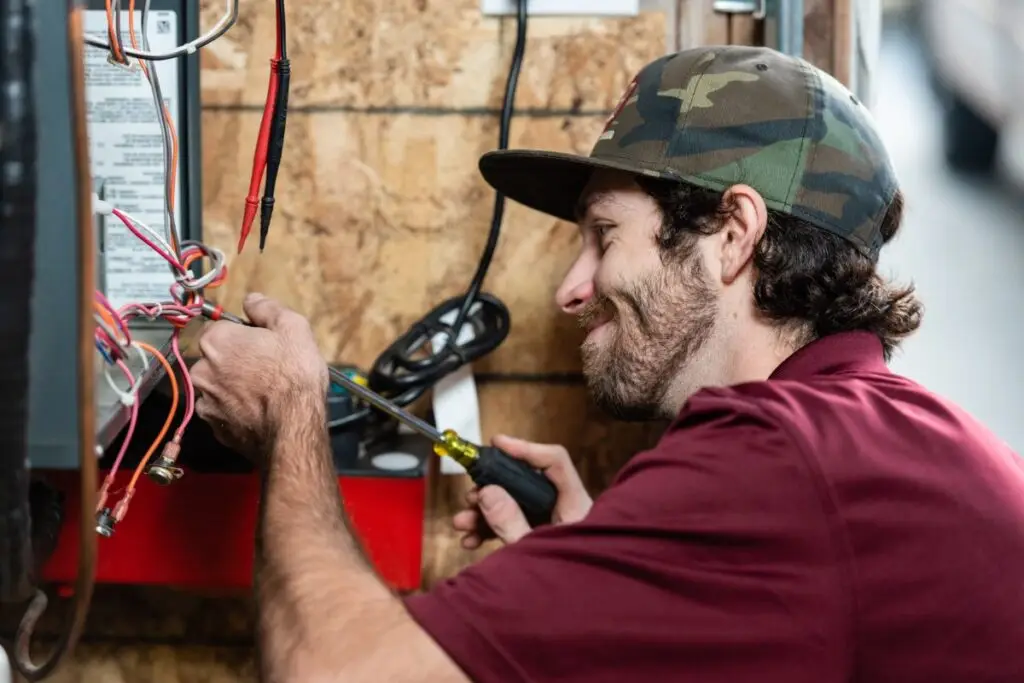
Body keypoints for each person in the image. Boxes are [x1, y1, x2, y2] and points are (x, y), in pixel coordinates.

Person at [190, 45, 1024, 683]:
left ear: (733, 234)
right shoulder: (866, 434)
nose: (571, 288)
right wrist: (600, 558)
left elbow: (335, 672)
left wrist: (290, 415)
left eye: (604, 236)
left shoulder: (778, 456)